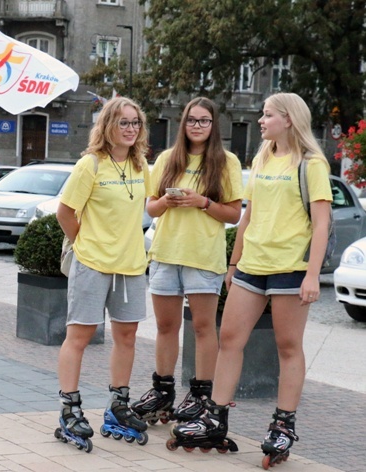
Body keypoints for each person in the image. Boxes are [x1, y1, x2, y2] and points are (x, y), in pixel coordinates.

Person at [173, 93, 332, 462]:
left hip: (290, 267)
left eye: (268, 115)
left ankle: (283, 425)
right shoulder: (261, 158)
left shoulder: (311, 164)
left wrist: (312, 276)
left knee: (288, 347)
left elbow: (321, 223)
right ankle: (214, 418)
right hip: (251, 266)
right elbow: (246, 216)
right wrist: (233, 263)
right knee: (229, 339)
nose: (261, 120)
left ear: (289, 119)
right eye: (262, 115)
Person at [131, 97, 243, 424]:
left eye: (204, 120)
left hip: (203, 256)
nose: (197, 126)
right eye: (192, 120)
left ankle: (201, 394)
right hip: (165, 252)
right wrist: (165, 200)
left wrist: (203, 202)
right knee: (166, 327)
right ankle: (163, 391)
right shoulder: (167, 159)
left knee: (204, 328)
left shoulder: (226, 162)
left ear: (213, 125)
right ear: (183, 124)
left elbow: (235, 214)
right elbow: (150, 208)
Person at [55, 97, 151, 449]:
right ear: (108, 126)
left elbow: (149, 205)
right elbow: (65, 212)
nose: (130, 129)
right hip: (92, 263)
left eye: (135, 122)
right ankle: (69, 408)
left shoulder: (142, 166)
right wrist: (84, 243)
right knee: (79, 336)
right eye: (123, 122)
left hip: (131, 267)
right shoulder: (90, 165)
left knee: (126, 337)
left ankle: (118, 405)